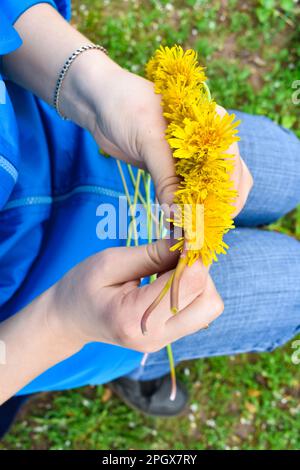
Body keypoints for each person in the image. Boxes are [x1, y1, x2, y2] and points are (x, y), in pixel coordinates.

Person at [0, 0, 299, 437]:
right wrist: (62, 323)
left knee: (288, 165)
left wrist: (96, 87)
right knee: (290, 286)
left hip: (84, 134)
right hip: (52, 302)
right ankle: (130, 356)